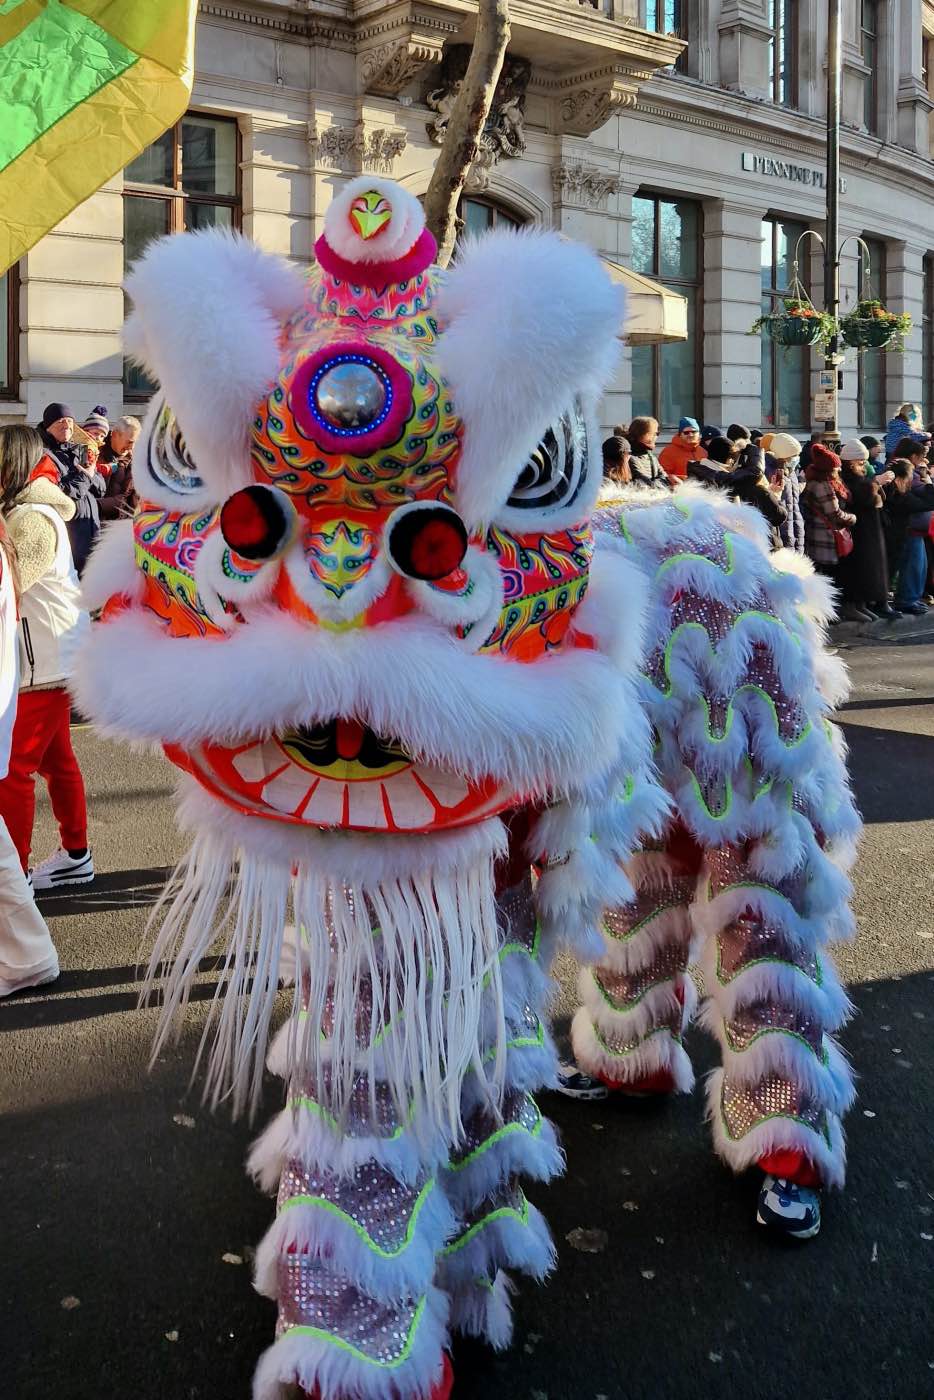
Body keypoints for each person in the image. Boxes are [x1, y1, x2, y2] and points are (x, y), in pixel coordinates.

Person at [73, 180, 860, 1399]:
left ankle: (779, 1102)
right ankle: (369, 1309)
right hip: (405, 784)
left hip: (530, 704)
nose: (336, 591)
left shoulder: (685, 590)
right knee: (377, 1008)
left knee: (743, 869)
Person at [0, 426, 93, 888]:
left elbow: (11, 586)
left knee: (14, 770)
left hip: (43, 661)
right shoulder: (31, 510)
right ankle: (76, 852)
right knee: (56, 762)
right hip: (55, 655)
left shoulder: (30, 517)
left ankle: (13, 875)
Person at [0, 504, 60, 997]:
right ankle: (27, 953)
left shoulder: (32, 519)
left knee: (28, 774)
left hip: (43, 668)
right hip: (33, 669)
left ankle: (28, 954)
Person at [38, 401, 105, 575]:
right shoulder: (44, 455)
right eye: (60, 421)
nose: (67, 424)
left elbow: (101, 489)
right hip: (71, 533)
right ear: (48, 426)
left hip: (91, 526)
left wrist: (91, 474)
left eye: (69, 420)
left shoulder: (80, 450)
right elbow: (60, 494)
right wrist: (86, 477)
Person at [838, 440, 896, 620]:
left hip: (869, 526)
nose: (864, 467)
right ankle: (852, 604)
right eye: (861, 463)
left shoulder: (861, 477)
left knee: (869, 566)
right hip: (858, 528)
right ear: (851, 463)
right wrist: (875, 483)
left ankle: (861, 603)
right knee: (859, 567)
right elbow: (864, 497)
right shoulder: (848, 479)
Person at [882, 459, 934, 615]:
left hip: (899, 536)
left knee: (914, 568)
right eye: (910, 475)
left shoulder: (898, 491)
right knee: (899, 569)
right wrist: (929, 483)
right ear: (900, 478)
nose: (912, 479)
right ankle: (903, 601)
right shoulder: (897, 494)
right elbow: (926, 503)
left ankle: (907, 600)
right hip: (897, 537)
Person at [801, 442, 857, 585]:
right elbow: (834, 513)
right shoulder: (823, 486)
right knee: (828, 579)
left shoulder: (814, 482)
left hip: (819, 536)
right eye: (836, 468)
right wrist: (852, 518)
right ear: (829, 469)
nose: (839, 470)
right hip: (825, 539)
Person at [763, 432, 805, 552]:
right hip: (782, 531)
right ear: (783, 455)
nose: (796, 459)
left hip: (795, 527)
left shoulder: (790, 471)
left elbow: (793, 498)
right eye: (794, 456)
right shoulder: (769, 471)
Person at [99, 417, 141, 521]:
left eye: (135, 443)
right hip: (89, 519)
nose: (131, 447)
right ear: (114, 434)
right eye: (129, 442)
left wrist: (95, 505)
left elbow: (127, 498)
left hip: (116, 522)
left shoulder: (135, 462)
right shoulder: (94, 450)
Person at [627, 415, 670, 489]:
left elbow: (664, 478)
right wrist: (659, 484)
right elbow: (643, 482)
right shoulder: (629, 457)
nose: (656, 437)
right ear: (644, 434)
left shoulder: (650, 456)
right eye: (655, 433)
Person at [658, 416, 703, 482]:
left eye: (693, 432)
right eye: (686, 432)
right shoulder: (668, 452)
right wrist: (682, 480)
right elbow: (662, 475)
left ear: (699, 433)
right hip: (679, 490)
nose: (690, 435)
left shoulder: (703, 451)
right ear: (680, 434)